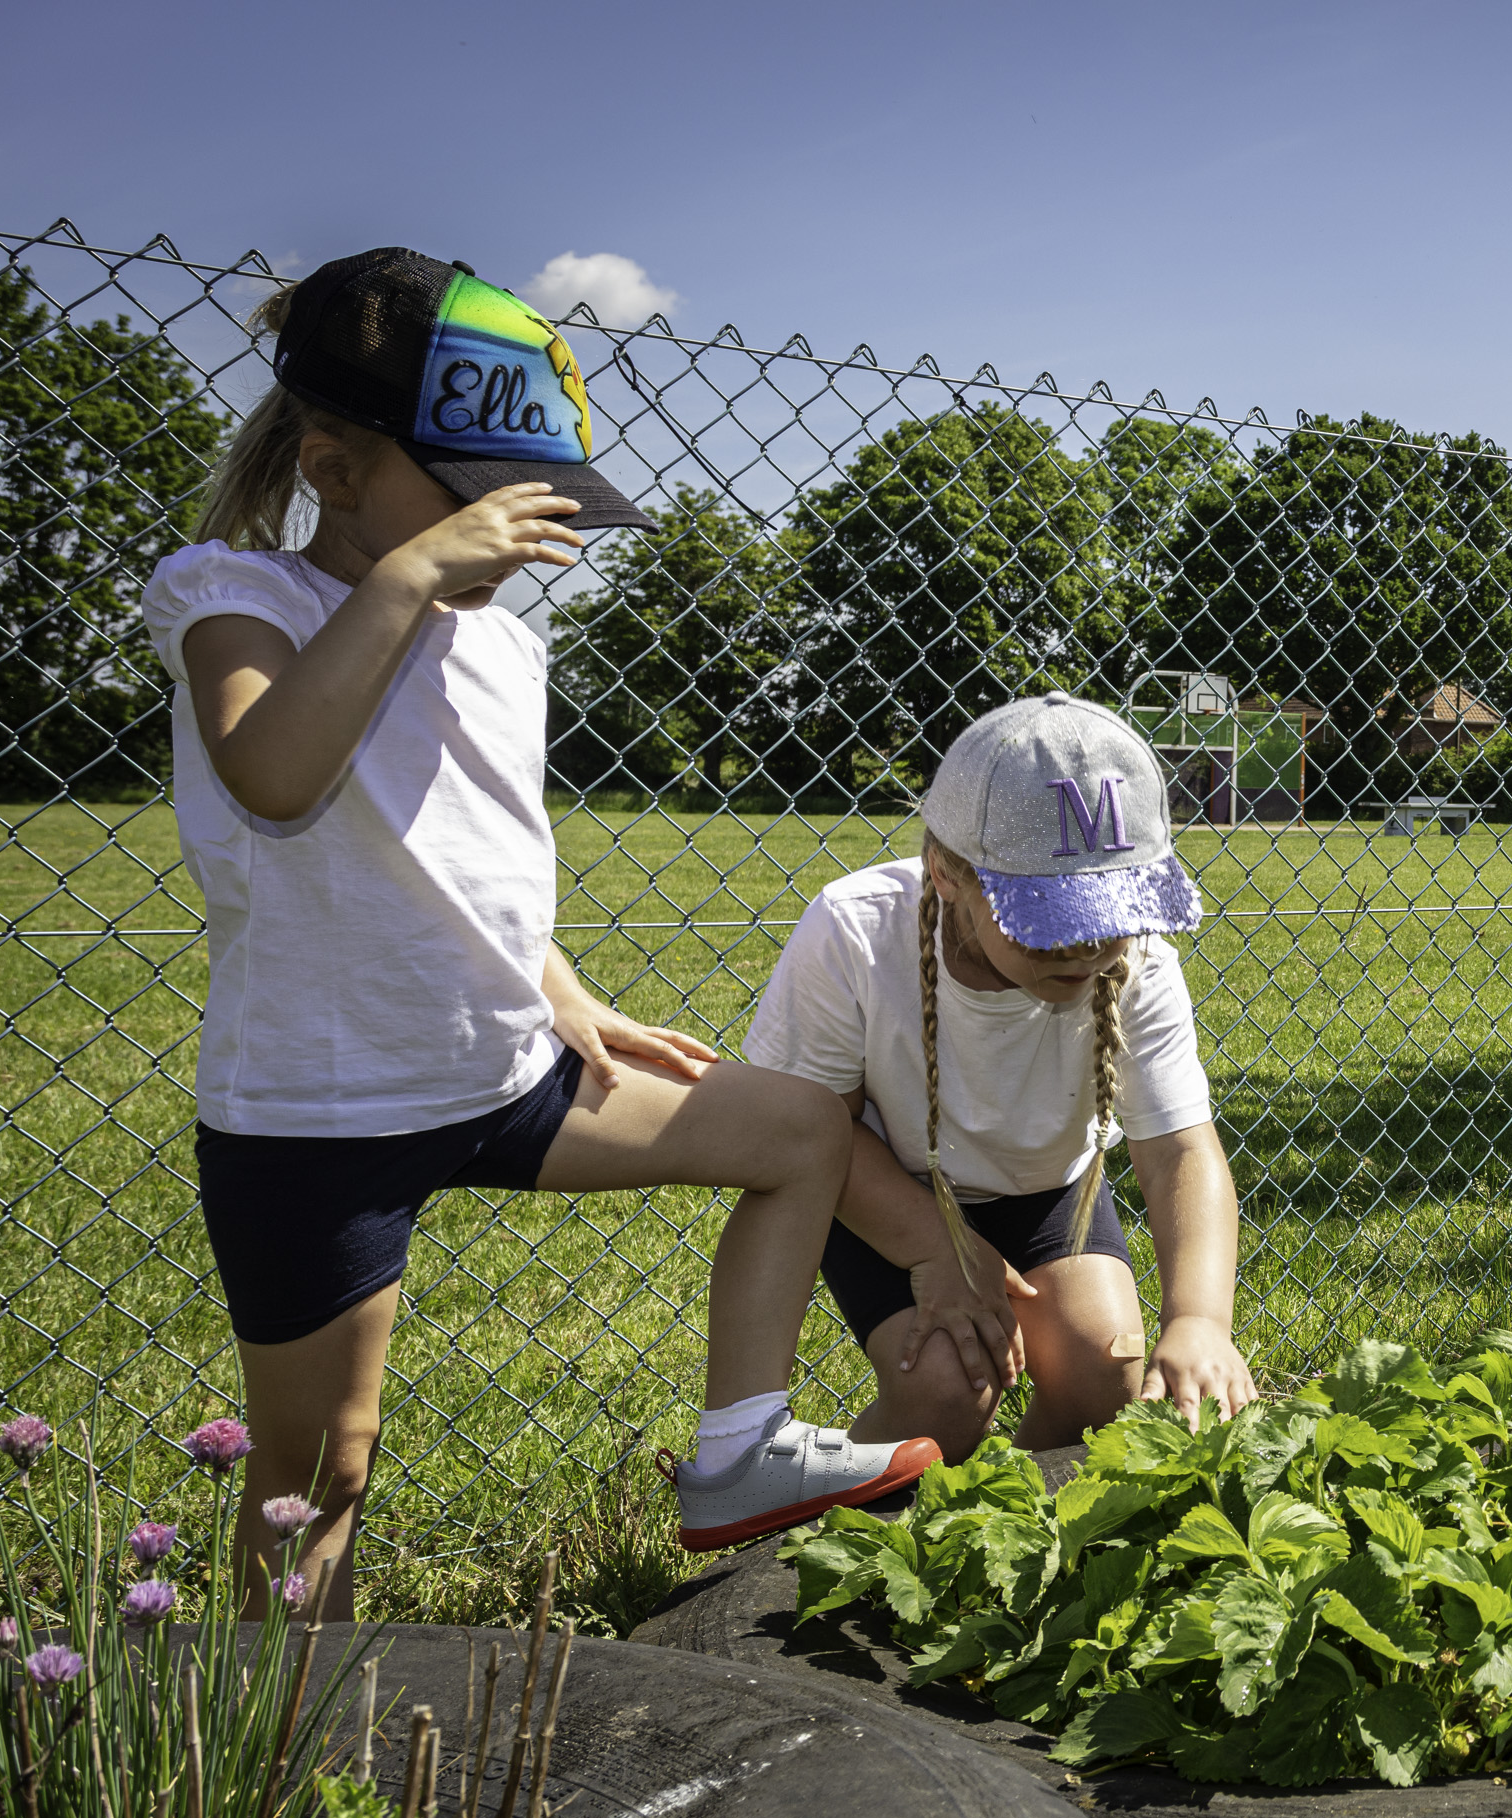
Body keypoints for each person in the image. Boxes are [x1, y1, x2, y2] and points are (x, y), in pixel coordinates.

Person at [147, 248, 934, 1615]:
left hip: (512, 1073)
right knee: (323, 1466)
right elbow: (275, 776)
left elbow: (457, 848)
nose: (519, 542)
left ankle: (739, 1449)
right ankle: (271, 1736)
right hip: (322, 1115)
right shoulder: (237, 599)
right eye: (476, 507)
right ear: (332, 471)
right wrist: (405, 582)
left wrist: (561, 987)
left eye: (539, 510)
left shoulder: (501, 641)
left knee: (799, 1131)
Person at [744, 694, 1256, 1458]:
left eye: (1110, 915)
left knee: (1103, 1381)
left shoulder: (1142, 961)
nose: (1085, 951)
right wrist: (935, 1249)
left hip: (1044, 1188)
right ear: (946, 874)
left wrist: (1200, 1320)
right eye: (1049, 921)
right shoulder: (854, 931)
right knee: (947, 1392)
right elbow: (805, 1133)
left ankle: (1009, 1527)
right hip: (890, 1182)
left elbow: (1182, 1150)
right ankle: (826, 1532)